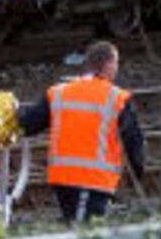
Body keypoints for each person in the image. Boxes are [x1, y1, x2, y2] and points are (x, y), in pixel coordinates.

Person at [18, 41, 145, 224]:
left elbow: (28, 125)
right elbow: (134, 140)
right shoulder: (117, 98)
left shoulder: (58, 93)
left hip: (62, 179)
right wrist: (137, 173)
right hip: (93, 181)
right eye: (116, 63)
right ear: (108, 64)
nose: (116, 69)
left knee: (74, 226)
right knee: (85, 235)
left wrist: (9, 114)